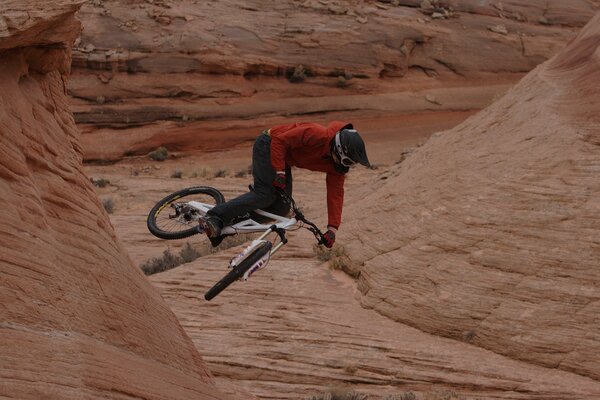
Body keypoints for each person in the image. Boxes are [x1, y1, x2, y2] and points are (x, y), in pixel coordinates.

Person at [200, 121, 370, 248]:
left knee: (281, 208)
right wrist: (280, 172)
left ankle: (224, 227)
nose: (347, 165)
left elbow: (335, 195)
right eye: (348, 160)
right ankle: (214, 216)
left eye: (351, 164)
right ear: (339, 149)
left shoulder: (336, 167)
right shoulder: (317, 134)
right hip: (269, 143)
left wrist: (332, 229)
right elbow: (280, 141)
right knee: (265, 193)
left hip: (284, 160)